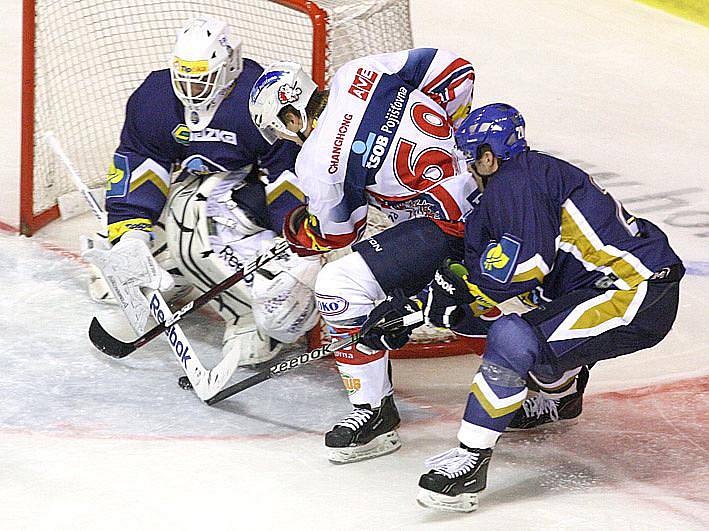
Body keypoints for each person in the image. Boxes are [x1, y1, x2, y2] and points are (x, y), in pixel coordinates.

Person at [412, 103, 684, 512]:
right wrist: (446, 310)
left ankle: (470, 460)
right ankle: (561, 398)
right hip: (617, 286)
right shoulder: (526, 176)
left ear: (488, 155)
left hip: (632, 289)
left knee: (515, 336)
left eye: (472, 158)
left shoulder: (516, 181)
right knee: (530, 329)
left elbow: (523, 269)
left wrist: (452, 296)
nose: (470, 168)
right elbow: (505, 282)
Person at [248, 48, 491, 463]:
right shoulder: (358, 72)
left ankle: (373, 412)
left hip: (447, 227)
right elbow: (456, 68)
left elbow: (339, 233)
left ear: (291, 117)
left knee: (338, 285)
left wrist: (300, 233)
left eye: (283, 130)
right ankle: (551, 384)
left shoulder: (317, 162)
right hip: (492, 194)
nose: (288, 138)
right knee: (470, 297)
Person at [85, 16, 320, 368]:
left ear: (230, 67)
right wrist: (130, 235)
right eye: (185, 79)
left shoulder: (259, 98)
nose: (191, 90)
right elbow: (140, 161)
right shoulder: (154, 98)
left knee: (193, 214)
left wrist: (298, 239)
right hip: (195, 181)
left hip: (250, 192)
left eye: (202, 80)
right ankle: (178, 273)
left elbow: (287, 175)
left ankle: (251, 318)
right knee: (127, 251)